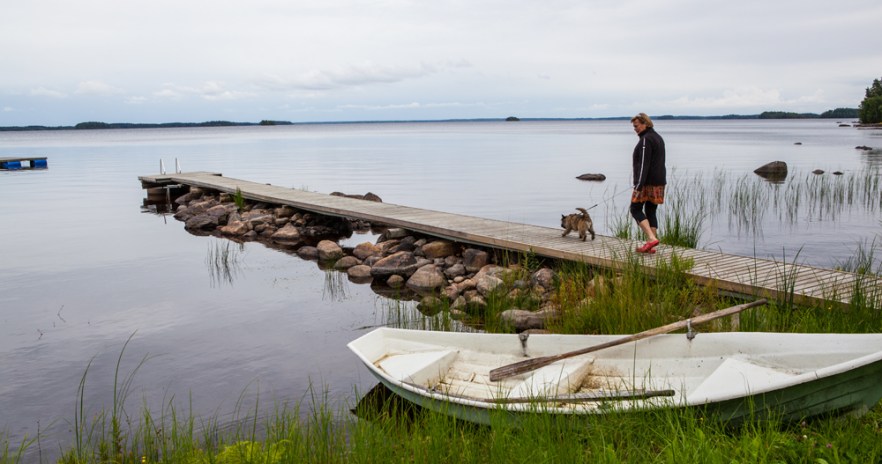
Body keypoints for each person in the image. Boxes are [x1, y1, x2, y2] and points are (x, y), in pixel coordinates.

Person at [630, 113, 666, 253]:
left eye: (636, 126)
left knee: (635, 209)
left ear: (646, 124)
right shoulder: (657, 137)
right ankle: (651, 245)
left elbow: (644, 163)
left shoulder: (646, 139)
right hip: (659, 181)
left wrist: (639, 184)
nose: (635, 129)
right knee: (651, 211)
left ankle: (651, 239)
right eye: (634, 126)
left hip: (646, 183)